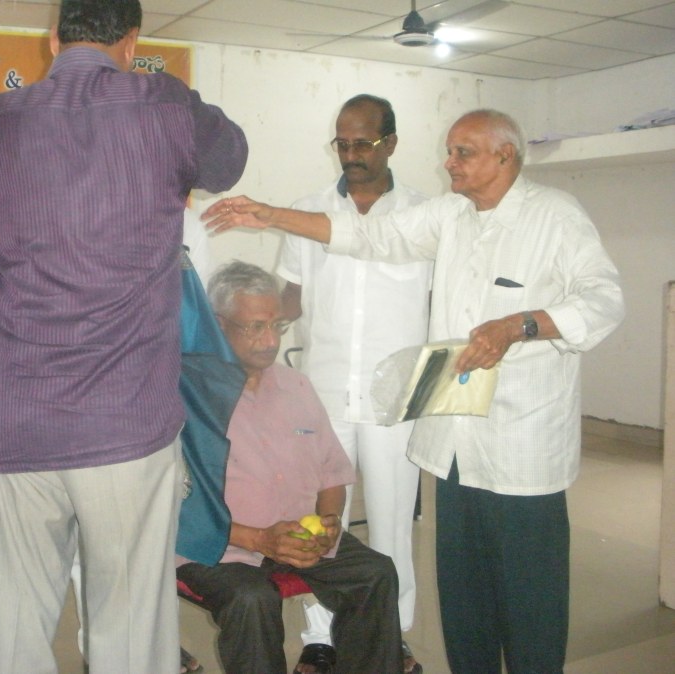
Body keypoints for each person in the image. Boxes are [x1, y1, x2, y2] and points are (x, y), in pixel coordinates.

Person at [204, 109, 626, 674]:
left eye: (462, 152)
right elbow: (369, 235)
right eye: (449, 151)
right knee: (463, 594)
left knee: (529, 595)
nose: (449, 162)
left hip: (521, 449)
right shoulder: (451, 215)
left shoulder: (555, 215)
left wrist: (520, 324)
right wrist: (268, 214)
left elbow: (603, 301)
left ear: (505, 155)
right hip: (452, 445)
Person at [0, 0, 248, 671]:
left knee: (10, 625)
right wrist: (166, 96)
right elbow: (228, 159)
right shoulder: (162, 104)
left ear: (53, 38)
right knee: (127, 624)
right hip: (124, 421)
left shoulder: (0, 117)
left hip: (23, 418)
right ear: (132, 40)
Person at [176, 260, 404, 674]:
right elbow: (175, 505)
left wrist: (329, 522)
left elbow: (332, 472)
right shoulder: (187, 395)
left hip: (298, 533)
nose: (270, 340)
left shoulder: (296, 385)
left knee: (374, 573)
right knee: (251, 600)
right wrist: (258, 539)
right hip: (220, 547)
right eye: (255, 327)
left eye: (277, 326)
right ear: (218, 324)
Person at [276, 94, 429, 674]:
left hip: (395, 397)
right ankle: (320, 636)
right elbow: (291, 295)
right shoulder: (308, 211)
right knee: (320, 523)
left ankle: (391, 633)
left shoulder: (424, 214)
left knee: (391, 523)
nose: (350, 154)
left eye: (362, 143)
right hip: (324, 392)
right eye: (342, 143)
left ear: (391, 142)